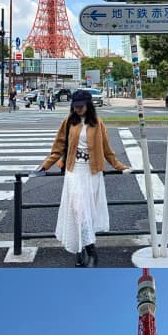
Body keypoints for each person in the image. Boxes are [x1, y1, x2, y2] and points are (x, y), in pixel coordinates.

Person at [38, 89, 130, 267]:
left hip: (92, 172)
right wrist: (45, 165)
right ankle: (91, 252)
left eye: (81, 106)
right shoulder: (68, 122)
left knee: (86, 212)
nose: (78, 109)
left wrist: (119, 166)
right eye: (75, 106)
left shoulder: (97, 123)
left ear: (88, 105)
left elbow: (107, 149)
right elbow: (58, 147)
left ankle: (80, 250)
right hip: (74, 171)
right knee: (78, 210)